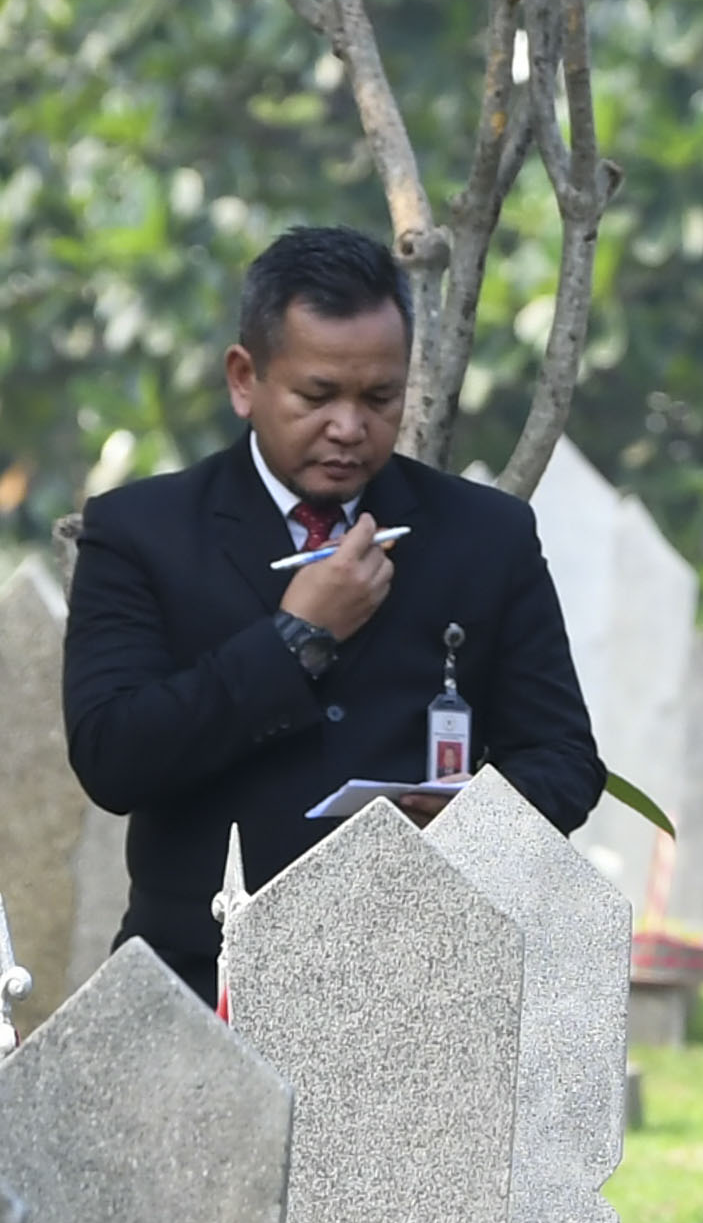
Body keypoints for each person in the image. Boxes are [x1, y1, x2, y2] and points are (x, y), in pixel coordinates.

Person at [64, 224, 603, 995]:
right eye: (318, 396)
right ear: (245, 379)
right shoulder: (141, 532)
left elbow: (564, 761)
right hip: (199, 974)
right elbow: (113, 755)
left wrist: (461, 828)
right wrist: (295, 638)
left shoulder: (486, 536)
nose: (350, 428)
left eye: (379, 398)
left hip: (417, 977)